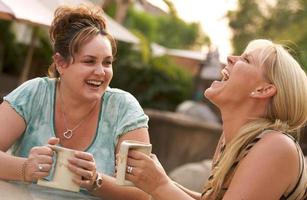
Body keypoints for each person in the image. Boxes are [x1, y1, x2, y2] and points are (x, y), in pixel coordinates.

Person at [0, 4, 151, 200]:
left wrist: (95, 181)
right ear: (61, 63)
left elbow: (143, 192)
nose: (100, 72)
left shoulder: (124, 109)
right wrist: (25, 168)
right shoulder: (34, 93)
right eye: (89, 61)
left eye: (107, 62)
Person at [124, 39, 307, 200]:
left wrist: (159, 185)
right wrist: (157, 179)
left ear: (263, 90)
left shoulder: (276, 146)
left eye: (246, 59)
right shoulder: (234, 141)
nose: (230, 58)